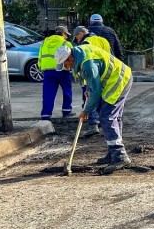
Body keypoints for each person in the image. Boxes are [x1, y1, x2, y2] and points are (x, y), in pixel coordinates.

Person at [55, 43, 134, 174]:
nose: (66, 68)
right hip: (115, 78)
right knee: (113, 117)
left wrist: (86, 110)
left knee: (107, 117)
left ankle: (119, 156)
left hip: (118, 80)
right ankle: (113, 152)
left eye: (65, 64)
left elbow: (96, 91)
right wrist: (88, 89)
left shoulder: (87, 65)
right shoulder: (79, 53)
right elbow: (91, 81)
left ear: (69, 58)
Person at [72, 25, 111, 135]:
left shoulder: (86, 43)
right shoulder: (104, 41)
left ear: (80, 34)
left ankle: (93, 124)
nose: (77, 41)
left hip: (91, 74)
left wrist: (82, 79)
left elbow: (85, 61)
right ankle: (104, 124)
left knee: (91, 97)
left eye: (77, 38)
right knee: (103, 99)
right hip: (104, 74)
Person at [38, 26, 73, 120]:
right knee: (67, 91)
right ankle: (66, 111)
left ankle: (46, 115)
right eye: (66, 35)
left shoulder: (45, 42)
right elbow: (71, 58)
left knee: (48, 93)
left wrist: (41, 67)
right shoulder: (66, 43)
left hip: (48, 71)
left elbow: (40, 56)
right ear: (63, 34)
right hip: (63, 70)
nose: (67, 37)